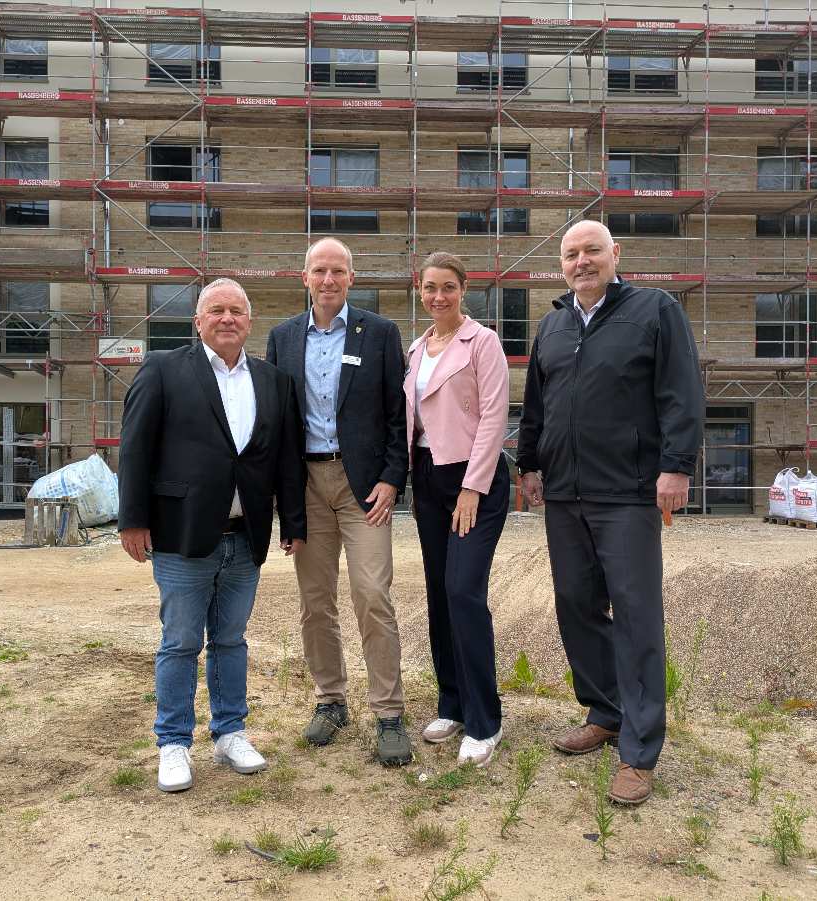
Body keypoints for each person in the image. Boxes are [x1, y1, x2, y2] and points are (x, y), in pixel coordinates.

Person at [516, 220, 703, 805]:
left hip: (628, 491)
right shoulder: (552, 324)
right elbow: (536, 405)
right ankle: (606, 710)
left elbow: (681, 390)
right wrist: (529, 465)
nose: (581, 262)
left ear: (615, 254)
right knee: (575, 603)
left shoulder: (654, 310)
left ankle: (640, 751)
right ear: (561, 265)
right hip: (565, 492)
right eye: (570, 254)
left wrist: (676, 465)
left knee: (638, 613)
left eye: (592, 251)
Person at [118, 278, 306, 794]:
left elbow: (285, 459)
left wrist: (294, 521)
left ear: (250, 321)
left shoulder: (273, 380)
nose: (228, 319)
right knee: (180, 642)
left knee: (230, 640)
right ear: (198, 321)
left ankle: (229, 732)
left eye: (237, 311)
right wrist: (132, 519)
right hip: (182, 534)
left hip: (245, 538)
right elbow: (134, 449)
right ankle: (173, 743)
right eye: (216, 310)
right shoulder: (163, 369)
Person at [265, 237, 412, 767]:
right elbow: (276, 424)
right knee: (315, 602)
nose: (329, 280)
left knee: (373, 594)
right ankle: (330, 701)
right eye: (319, 271)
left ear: (351, 277)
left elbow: (398, 415)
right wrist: (285, 502)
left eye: (338, 271)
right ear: (304, 277)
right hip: (306, 484)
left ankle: (389, 713)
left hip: (362, 488)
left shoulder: (379, 333)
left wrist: (394, 479)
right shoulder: (282, 338)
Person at [404, 252, 512, 767]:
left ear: (463, 289)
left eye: (448, 287)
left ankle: (485, 718)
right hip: (428, 477)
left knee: (463, 591)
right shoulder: (415, 349)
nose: (438, 297)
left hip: (474, 479)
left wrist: (474, 486)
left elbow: (494, 416)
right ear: (419, 291)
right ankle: (452, 701)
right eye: (430, 288)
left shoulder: (483, 342)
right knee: (437, 593)